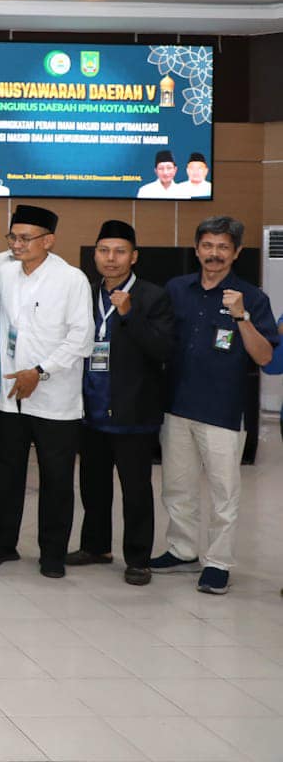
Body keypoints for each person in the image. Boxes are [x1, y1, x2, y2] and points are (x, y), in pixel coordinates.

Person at [153, 216, 278, 595]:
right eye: (208, 245)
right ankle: (182, 550)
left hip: (223, 411)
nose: (215, 254)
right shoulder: (177, 289)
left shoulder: (252, 297)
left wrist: (241, 316)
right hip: (176, 405)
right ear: (196, 249)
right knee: (177, 487)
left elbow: (265, 357)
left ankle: (218, 563)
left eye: (223, 247)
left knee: (224, 494)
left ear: (236, 253)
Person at [0, 205, 94, 578]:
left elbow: (82, 339)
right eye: (12, 237)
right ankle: (2, 544)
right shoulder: (3, 271)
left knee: (56, 479)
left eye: (25, 238)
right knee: (7, 474)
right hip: (11, 396)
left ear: (49, 241)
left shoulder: (71, 279)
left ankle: (53, 554)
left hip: (55, 400)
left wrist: (40, 372)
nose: (17, 244)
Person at [67, 220, 173, 586]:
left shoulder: (153, 296)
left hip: (133, 411)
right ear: (95, 254)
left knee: (135, 490)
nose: (111, 258)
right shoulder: (85, 293)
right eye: (104, 251)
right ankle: (95, 546)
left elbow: (162, 349)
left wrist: (130, 314)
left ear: (134, 256)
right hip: (91, 408)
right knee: (93, 485)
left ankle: (139, 559)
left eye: (119, 252)